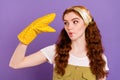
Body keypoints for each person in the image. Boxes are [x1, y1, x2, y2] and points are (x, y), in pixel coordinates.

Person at [9, 5, 109, 80]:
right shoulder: (55, 51)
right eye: (66, 23)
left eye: (75, 21)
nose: (69, 27)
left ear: (86, 24)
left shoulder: (99, 59)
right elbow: (16, 64)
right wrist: (25, 39)